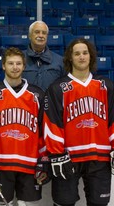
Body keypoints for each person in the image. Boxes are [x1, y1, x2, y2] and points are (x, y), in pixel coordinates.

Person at [43, 38, 114, 206]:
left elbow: (112, 119)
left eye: (85, 53)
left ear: (91, 57)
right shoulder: (58, 88)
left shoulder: (105, 86)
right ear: (70, 58)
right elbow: (52, 123)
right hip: (69, 157)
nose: (81, 57)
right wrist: (57, 154)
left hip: (100, 157)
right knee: (63, 202)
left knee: (99, 203)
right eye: (77, 54)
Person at [0, 47, 45, 206]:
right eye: (11, 63)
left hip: (29, 164)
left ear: (24, 66)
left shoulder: (37, 95)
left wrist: (44, 159)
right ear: (3, 66)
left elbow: (43, 131)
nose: (15, 67)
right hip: (0, 164)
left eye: (18, 63)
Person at [23, 20, 65, 91]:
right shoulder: (19, 59)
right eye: (37, 32)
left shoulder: (60, 61)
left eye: (44, 33)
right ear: (30, 36)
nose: (41, 35)